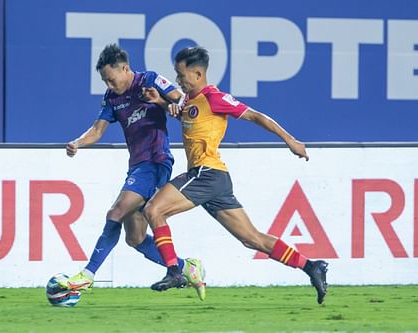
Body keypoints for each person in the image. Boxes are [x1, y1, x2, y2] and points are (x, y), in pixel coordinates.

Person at [142, 46, 328, 304]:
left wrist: (290, 140)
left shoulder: (214, 97)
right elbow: (192, 120)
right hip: (213, 179)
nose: (178, 80)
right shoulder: (187, 101)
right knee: (252, 239)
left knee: (154, 210)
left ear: (197, 73)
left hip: (206, 173)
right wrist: (163, 103)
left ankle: (175, 271)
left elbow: (255, 116)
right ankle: (311, 266)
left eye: (181, 75)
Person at [59, 44, 206, 300]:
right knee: (135, 238)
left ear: (125, 68)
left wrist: (163, 102)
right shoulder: (112, 97)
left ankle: (88, 275)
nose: (109, 84)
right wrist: (78, 143)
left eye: (111, 78)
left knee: (116, 211)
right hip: (138, 166)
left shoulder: (149, 80)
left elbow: (183, 101)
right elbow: (97, 130)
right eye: (105, 80)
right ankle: (186, 267)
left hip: (156, 161)